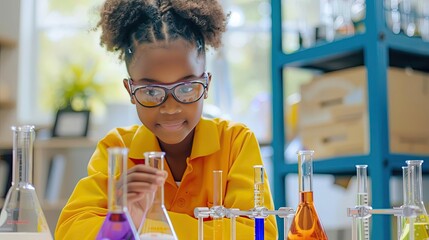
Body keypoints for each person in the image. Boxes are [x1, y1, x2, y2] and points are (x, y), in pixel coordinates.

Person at [55, 0, 278, 239]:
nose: (170, 108)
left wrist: (147, 221)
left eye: (186, 89)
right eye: (151, 92)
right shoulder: (117, 149)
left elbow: (258, 232)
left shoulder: (236, 143)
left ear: (207, 84)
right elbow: (70, 230)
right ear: (130, 91)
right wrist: (119, 218)